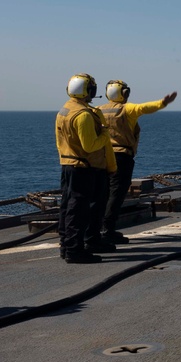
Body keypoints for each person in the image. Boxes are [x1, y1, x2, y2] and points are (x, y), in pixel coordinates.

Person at [99, 81, 178, 244]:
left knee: (102, 193)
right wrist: (163, 103)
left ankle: (97, 228)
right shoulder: (127, 109)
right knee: (116, 193)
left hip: (102, 156)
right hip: (121, 156)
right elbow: (145, 107)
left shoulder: (99, 110)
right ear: (124, 93)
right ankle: (107, 230)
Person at [55, 73, 117, 264]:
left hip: (68, 165)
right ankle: (75, 250)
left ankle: (67, 246)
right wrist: (106, 134)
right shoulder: (83, 115)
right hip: (84, 166)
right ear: (88, 90)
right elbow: (90, 146)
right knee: (79, 209)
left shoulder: (64, 110)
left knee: (67, 207)